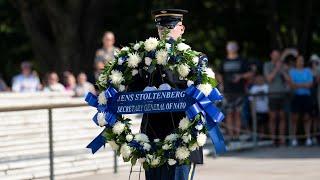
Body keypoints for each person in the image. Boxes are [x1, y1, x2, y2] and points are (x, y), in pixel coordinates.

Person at [129, 9, 201, 180]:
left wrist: (166, 68)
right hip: (153, 136)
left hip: (180, 138)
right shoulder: (146, 60)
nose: (164, 31)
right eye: (161, 28)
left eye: (170, 26)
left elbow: (194, 94)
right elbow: (133, 90)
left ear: (181, 28)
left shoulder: (194, 60)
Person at [218, 41, 254, 140]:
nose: (231, 47)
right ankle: (231, 135)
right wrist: (221, 84)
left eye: (233, 46)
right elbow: (219, 74)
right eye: (229, 46)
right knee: (229, 113)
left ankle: (237, 135)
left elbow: (250, 73)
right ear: (226, 48)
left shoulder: (242, 60)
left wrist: (240, 76)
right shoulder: (224, 61)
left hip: (239, 91)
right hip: (227, 91)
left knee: (238, 113)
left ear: (237, 47)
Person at [263, 49, 290, 145]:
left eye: (278, 55)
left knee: (282, 117)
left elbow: (288, 80)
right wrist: (276, 69)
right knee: (273, 117)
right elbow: (269, 79)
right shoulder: (267, 65)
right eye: (275, 55)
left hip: (282, 94)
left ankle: (282, 139)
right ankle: (273, 139)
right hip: (272, 94)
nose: (277, 57)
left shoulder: (283, 66)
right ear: (271, 56)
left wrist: (283, 70)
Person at [288, 55, 313, 146]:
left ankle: (308, 137)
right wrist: (303, 85)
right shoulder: (292, 71)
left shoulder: (308, 71)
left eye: (302, 60)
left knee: (307, 117)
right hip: (296, 96)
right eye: (299, 60)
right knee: (295, 118)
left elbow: (310, 84)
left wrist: (298, 85)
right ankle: (294, 138)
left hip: (306, 96)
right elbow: (292, 85)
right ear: (296, 62)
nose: (301, 62)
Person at [310, 54, 320, 144]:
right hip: (313, 97)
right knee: (313, 117)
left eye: (316, 62)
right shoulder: (309, 72)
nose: (314, 63)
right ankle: (313, 136)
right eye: (313, 62)